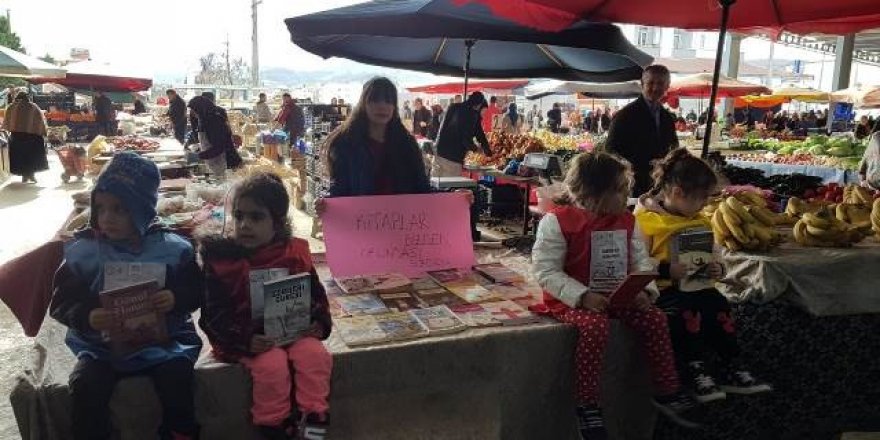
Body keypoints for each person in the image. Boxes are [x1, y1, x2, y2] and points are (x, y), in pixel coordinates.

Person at [532, 151, 703, 439]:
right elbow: (546, 271)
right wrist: (583, 296)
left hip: (619, 295)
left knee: (655, 319)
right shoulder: (558, 222)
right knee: (595, 328)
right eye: (621, 190)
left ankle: (666, 390)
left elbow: (641, 262)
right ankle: (587, 404)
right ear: (594, 193)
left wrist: (644, 291)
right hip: (572, 300)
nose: (628, 196)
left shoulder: (627, 220)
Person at [49, 153, 202, 440]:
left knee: (179, 377)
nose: (107, 218)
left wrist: (175, 298)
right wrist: (87, 316)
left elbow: (196, 289)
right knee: (85, 386)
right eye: (101, 207)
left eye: (120, 209)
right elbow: (61, 301)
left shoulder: (172, 248)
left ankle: (180, 432)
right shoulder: (84, 252)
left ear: (142, 209)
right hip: (100, 347)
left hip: (164, 341)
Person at [198, 173, 332, 440]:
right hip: (245, 339)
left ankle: (314, 417)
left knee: (315, 354)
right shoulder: (222, 262)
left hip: (292, 332)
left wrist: (318, 321)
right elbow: (213, 315)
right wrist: (246, 339)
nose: (244, 224)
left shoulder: (293, 254)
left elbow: (316, 293)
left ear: (278, 222)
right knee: (272, 364)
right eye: (239, 216)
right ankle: (273, 425)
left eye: (256, 217)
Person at [635, 148, 772, 404]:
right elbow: (638, 260)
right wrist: (666, 270)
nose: (704, 206)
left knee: (718, 304)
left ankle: (730, 363)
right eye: (700, 200)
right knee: (685, 312)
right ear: (677, 193)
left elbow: (715, 252)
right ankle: (693, 367)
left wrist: (719, 268)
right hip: (663, 291)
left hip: (698, 285)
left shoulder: (699, 220)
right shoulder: (646, 221)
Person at [322, 77, 433, 198]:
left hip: (403, 216)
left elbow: (422, 187)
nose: (382, 106)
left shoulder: (407, 144)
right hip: (360, 216)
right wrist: (325, 204)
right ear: (363, 104)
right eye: (375, 100)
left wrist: (451, 196)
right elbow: (338, 189)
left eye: (388, 101)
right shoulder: (344, 143)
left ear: (394, 107)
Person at [606, 64, 679, 197]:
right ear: (642, 84)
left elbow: (674, 147)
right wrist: (634, 167)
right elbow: (610, 150)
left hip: (661, 185)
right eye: (651, 83)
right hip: (633, 185)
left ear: (667, 86)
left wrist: (668, 161)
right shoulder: (625, 115)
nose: (656, 87)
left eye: (660, 83)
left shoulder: (667, 117)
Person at [433, 91, 491, 177]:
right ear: (478, 106)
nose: (483, 115)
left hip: (438, 153)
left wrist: (486, 148)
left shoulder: (454, 107)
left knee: (436, 186)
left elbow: (479, 132)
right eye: (483, 111)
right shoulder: (471, 114)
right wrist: (477, 149)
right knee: (450, 187)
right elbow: (466, 138)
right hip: (452, 158)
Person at [188, 95, 242, 180]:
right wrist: (199, 148)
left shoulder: (214, 121)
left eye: (193, 110)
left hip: (227, 164)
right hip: (215, 162)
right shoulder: (203, 119)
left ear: (201, 108)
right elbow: (208, 141)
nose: (192, 112)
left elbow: (219, 147)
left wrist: (199, 156)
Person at [2, 91, 49, 183]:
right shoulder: (33, 107)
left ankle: (25, 175)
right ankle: (30, 174)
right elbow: (40, 121)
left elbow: (7, 122)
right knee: (32, 157)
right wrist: (43, 132)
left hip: (17, 137)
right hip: (33, 136)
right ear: (27, 98)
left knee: (20, 157)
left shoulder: (11, 107)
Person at [275, 93, 306, 158]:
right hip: (299, 128)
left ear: (288, 98)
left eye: (284, 99)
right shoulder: (296, 106)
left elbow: (281, 119)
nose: (283, 100)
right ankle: (296, 158)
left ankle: (288, 159)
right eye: (283, 99)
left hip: (291, 129)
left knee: (287, 144)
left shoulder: (288, 106)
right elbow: (280, 116)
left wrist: (273, 129)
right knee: (295, 145)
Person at [859, 119, 880, 190]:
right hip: (874, 181)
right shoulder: (876, 137)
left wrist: (862, 178)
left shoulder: (875, 136)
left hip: (873, 181)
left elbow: (865, 158)